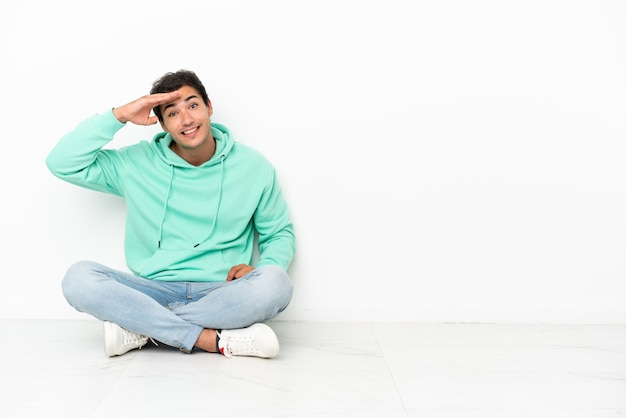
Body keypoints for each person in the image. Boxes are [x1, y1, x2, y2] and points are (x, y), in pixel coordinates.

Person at [46, 70, 295, 359]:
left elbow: (278, 233)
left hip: (223, 291)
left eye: (192, 105)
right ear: (162, 124)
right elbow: (61, 162)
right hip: (151, 289)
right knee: (79, 278)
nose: (187, 120)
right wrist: (120, 115)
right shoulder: (135, 163)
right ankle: (210, 340)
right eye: (173, 113)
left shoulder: (253, 166)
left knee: (276, 283)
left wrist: (266, 266)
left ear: (209, 106)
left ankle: (144, 329)